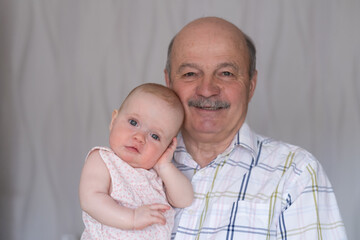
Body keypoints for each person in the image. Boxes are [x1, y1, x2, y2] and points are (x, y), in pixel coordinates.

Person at [164, 17, 347, 239]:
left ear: (251, 85)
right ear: (169, 82)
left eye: (226, 73)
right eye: (190, 74)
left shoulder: (296, 173)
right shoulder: (131, 163)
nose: (207, 89)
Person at [79, 83, 194, 240]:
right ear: (114, 121)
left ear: (166, 147)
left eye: (155, 136)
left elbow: (184, 200)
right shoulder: (102, 159)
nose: (139, 138)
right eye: (133, 122)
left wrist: (164, 166)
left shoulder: (156, 174)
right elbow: (90, 200)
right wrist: (132, 218)